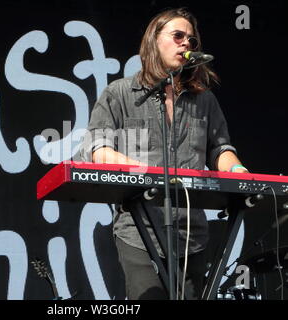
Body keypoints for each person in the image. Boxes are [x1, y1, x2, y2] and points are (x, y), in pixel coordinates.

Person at [80, 7, 249, 300]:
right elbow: (97, 149)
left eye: (192, 40)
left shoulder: (204, 101)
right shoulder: (119, 93)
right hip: (139, 230)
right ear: (154, 41)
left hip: (191, 234)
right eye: (178, 36)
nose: (186, 44)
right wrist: (147, 172)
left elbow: (220, 149)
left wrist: (238, 172)